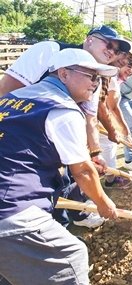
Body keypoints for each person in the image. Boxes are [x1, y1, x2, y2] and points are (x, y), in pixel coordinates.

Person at [0, 48, 119, 284]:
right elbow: (82, 171)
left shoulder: (13, 99)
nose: (96, 84)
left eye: (99, 79)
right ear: (63, 74)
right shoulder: (62, 108)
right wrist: (103, 203)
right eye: (91, 76)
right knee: (72, 256)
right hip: (11, 212)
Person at [0, 25, 131, 228]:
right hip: (18, 138)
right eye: (109, 44)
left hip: (48, 141)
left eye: (117, 50)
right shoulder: (49, 51)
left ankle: (62, 223)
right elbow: (6, 93)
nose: (112, 52)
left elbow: (90, 119)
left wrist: (94, 154)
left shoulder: (92, 78)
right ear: (89, 39)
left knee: (63, 177)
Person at [99, 52, 132, 188]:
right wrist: (126, 132)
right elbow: (113, 107)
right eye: (129, 66)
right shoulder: (112, 80)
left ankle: (110, 179)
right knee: (109, 147)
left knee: (108, 148)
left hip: (100, 118)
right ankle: (112, 180)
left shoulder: (112, 77)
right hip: (99, 119)